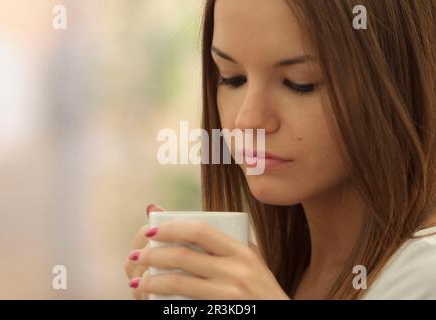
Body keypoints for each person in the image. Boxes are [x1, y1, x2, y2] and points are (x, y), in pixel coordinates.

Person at [125, 0, 436, 299]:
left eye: (299, 83)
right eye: (232, 79)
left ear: (395, 80)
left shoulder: (425, 275)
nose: (248, 120)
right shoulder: (286, 273)